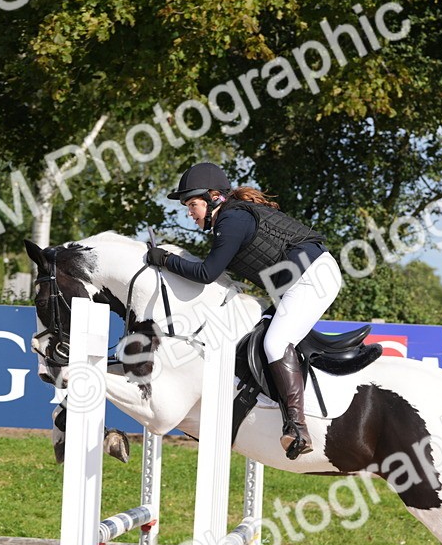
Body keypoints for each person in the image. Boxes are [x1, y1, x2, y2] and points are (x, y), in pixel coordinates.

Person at [145, 162, 343, 460]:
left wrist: (164, 260)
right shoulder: (232, 216)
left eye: (193, 204)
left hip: (314, 278)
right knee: (256, 332)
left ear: (214, 198)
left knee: (275, 343)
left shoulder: (232, 220)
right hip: (302, 280)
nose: (190, 213)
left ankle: (298, 427)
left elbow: (207, 273)